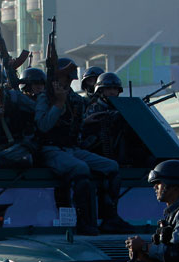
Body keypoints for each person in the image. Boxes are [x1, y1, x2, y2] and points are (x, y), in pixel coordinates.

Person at [35, 59, 131, 235]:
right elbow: (43, 126)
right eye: (62, 78)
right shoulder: (45, 98)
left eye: (66, 78)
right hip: (50, 149)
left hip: (72, 148)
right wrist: (58, 104)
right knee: (80, 169)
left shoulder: (77, 100)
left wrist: (87, 126)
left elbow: (77, 129)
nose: (64, 82)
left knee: (111, 167)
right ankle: (83, 221)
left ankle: (110, 217)